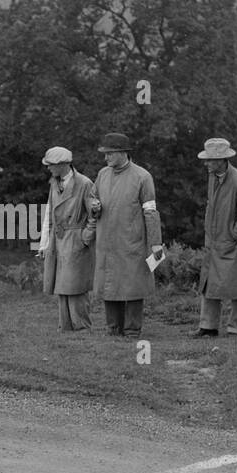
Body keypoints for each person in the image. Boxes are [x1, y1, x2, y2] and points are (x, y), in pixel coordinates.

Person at [87, 132, 164, 336]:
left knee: (133, 286)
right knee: (109, 285)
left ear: (122, 153)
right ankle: (113, 328)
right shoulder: (103, 174)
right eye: (105, 154)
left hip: (131, 241)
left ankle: (131, 329)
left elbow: (151, 212)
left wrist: (156, 243)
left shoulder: (143, 177)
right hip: (107, 241)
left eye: (109, 154)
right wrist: (93, 206)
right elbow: (92, 198)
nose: (106, 158)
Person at [194, 138, 237, 336]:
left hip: (235, 244)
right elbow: (210, 205)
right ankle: (208, 327)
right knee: (209, 283)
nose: (206, 164)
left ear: (222, 160)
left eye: (211, 160)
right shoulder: (213, 176)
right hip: (215, 241)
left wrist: (234, 235)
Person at [36, 146, 96, 331]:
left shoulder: (84, 183)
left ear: (63, 164)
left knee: (75, 284)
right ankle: (66, 327)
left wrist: (85, 237)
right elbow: (49, 214)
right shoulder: (54, 183)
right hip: (58, 238)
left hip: (75, 238)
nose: (48, 168)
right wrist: (44, 243)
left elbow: (94, 214)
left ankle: (81, 327)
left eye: (51, 165)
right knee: (60, 283)